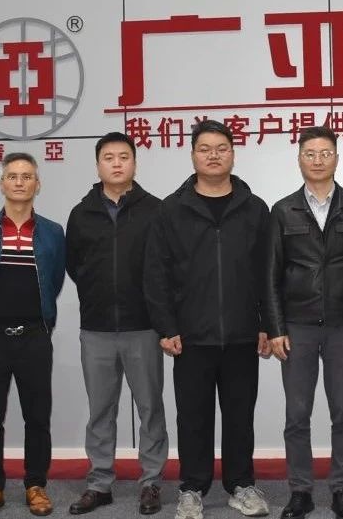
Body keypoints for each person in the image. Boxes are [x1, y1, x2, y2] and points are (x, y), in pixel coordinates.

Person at [144, 119, 273, 519]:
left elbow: (268, 272)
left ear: (233, 154)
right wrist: (167, 327)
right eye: (205, 149)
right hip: (191, 336)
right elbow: (156, 273)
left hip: (242, 334)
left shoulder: (254, 208)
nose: (213, 155)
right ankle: (192, 488)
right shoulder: (172, 209)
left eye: (221, 148)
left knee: (240, 416)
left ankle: (241, 485)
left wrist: (267, 324)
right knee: (193, 418)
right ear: (193, 155)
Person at [264, 126, 343, 519]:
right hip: (297, 326)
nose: (317, 160)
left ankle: (342, 490)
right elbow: (271, 274)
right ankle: (301, 491)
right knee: (297, 415)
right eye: (309, 153)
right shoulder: (283, 210)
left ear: (336, 159)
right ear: (299, 159)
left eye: (325, 153)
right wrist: (276, 328)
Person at [65, 132, 168, 516]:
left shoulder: (155, 210)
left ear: (134, 163)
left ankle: (151, 482)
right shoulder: (81, 213)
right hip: (97, 328)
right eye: (108, 157)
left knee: (150, 408)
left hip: (144, 327)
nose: (117, 163)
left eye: (124, 156)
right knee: (100, 411)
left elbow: (165, 265)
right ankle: (99, 484)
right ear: (98, 165)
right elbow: (75, 265)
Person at [0, 152, 66, 518]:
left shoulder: (52, 232)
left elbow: (54, 281)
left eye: (27, 176)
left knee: (37, 417)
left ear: (38, 184)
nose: (19, 182)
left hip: (34, 337)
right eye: (12, 176)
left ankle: (36, 485)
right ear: (2, 183)